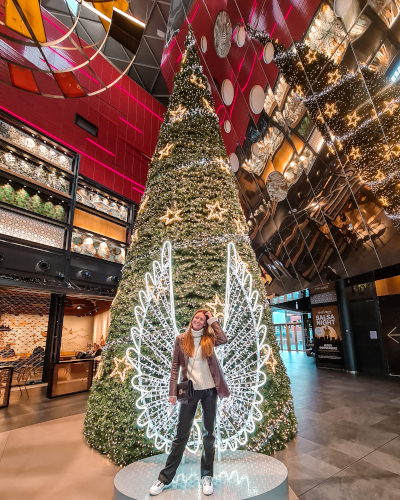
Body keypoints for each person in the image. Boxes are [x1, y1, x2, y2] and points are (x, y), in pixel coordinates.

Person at [149, 309, 230, 497]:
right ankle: (164, 478)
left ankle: (207, 476)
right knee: (180, 435)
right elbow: (175, 367)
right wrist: (172, 393)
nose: (198, 320)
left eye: (202, 319)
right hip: (189, 391)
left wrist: (214, 320)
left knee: (208, 435)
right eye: (197, 317)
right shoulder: (181, 339)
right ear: (192, 319)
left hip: (210, 392)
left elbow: (223, 339)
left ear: (205, 323)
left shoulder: (208, 339)